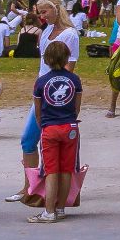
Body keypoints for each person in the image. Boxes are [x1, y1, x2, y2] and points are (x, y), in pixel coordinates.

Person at [8, 0, 79, 203]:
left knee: (44, 142)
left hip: (55, 96)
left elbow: (69, 70)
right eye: (39, 12)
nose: (41, 16)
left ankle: (47, 191)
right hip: (41, 91)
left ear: (56, 9)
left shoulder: (70, 34)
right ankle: (30, 186)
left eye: (44, 11)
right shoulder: (46, 30)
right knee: (29, 140)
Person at [29, 39, 82, 224]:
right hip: (70, 127)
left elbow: (38, 110)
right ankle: (60, 208)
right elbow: (77, 106)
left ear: (47, 59)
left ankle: (48, 212)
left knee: (51, 170)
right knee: (67, 169)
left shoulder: (41, 82)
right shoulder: (74, 79)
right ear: (67, 56)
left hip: (50, 127)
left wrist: (43, 124)